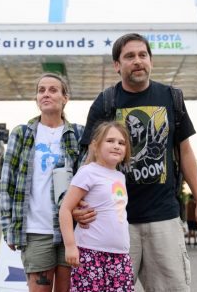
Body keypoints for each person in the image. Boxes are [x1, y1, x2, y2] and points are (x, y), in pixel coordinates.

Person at [75, 33, 197, 291]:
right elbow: (89, 160)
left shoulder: (171, 98)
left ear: (151, 60)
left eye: (142, 55)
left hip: (163, 219)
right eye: (129, 56)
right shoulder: (105, 103)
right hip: (113, 221)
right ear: (117, 65)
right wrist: (77, 204)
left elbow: (185, 152)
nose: (137, 61)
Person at [0, 73, 84, 292]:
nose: (46, 94)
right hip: (35, 230)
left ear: (65, 98)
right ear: (36, 99)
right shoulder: (22, 133)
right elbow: (6, 183)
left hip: (72, 231)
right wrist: (8, 227)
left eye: (53, 90)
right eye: (41, 90)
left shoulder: (79, 133)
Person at [59, 121, 134, 291]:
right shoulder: (88, 172)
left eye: (121, 143)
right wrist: (70, 246)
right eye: (110, 141)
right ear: (95, 145)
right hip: (90, 253)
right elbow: (65, 209)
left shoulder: (120, 177)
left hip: (120, 256)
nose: (116, 146)